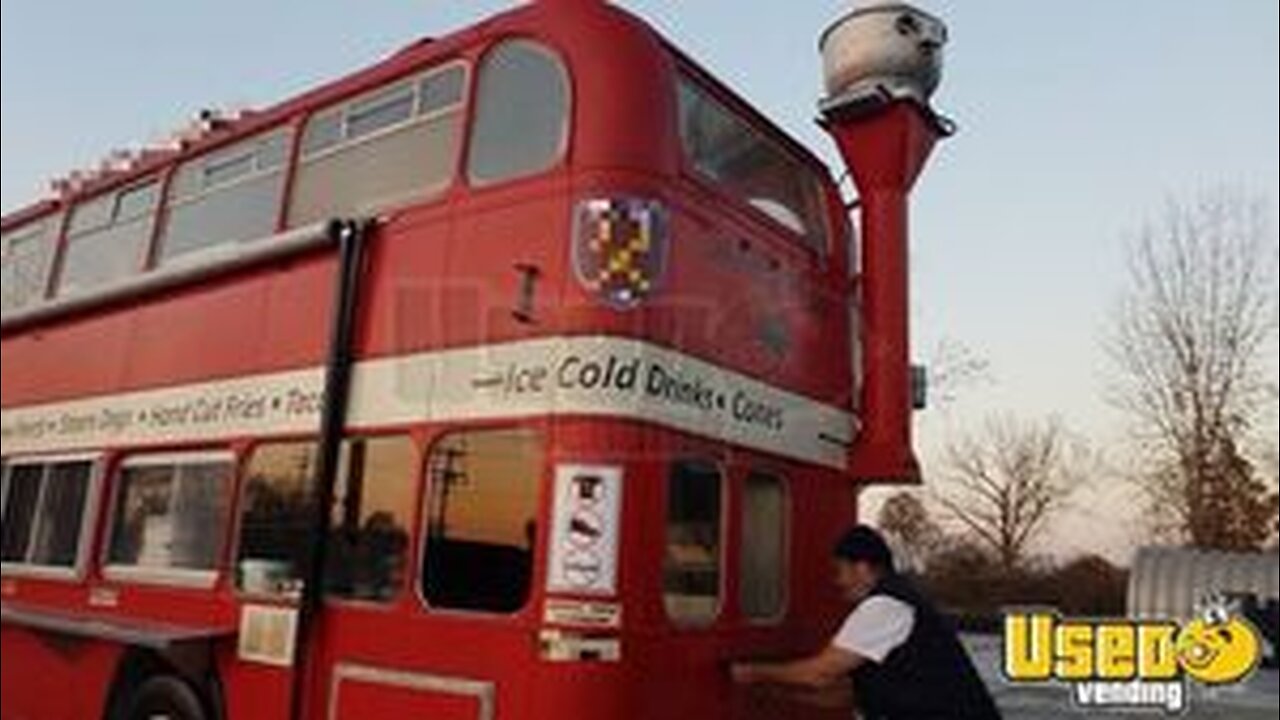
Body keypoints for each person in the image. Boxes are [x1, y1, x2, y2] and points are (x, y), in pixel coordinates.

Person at [731, 525, 1001, 720]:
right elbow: (847, 696)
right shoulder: (897, 602)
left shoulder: (885, 607)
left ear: (862, 568)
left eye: (840, 571)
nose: (838, 582)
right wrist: (776, 692)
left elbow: (819, 674)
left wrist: (752, 672)